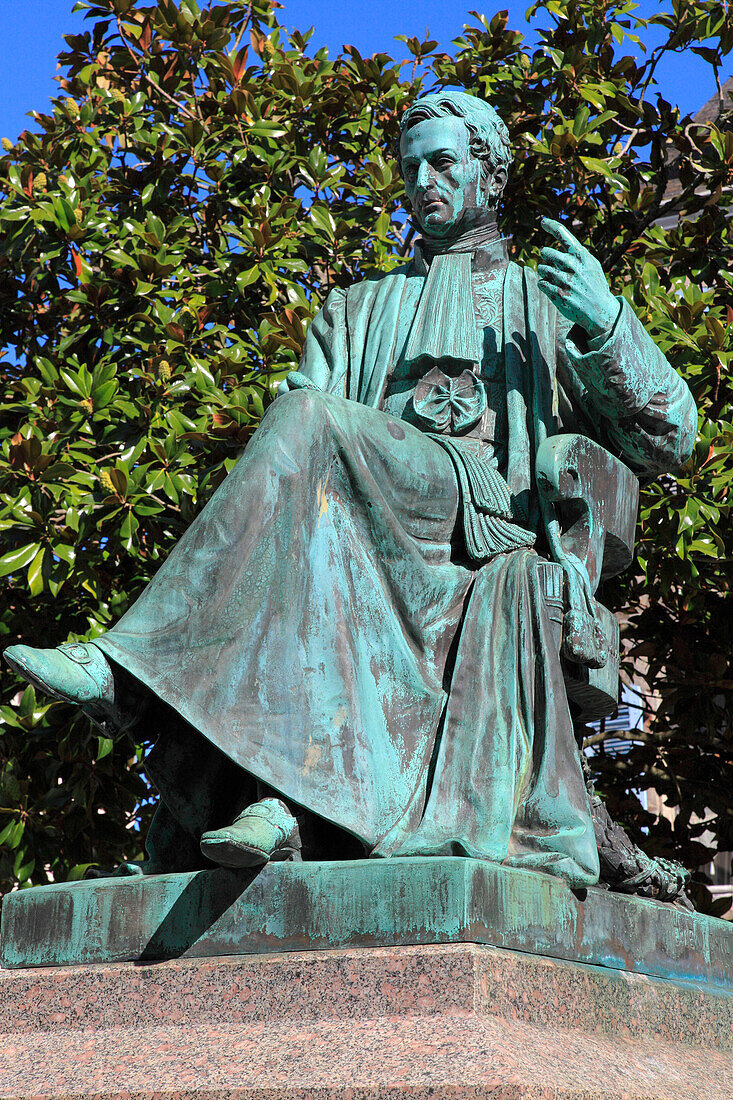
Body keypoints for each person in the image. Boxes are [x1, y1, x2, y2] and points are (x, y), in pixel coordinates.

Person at [4, 91, 696, 887]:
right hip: (363, 523)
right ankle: (286, 804)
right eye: (410, 168)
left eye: (443, 162)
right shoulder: (357, 309)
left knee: (305, 420)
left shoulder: (545, 306)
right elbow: (291, 456)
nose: (423, 181)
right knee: (299, 482)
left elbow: (672, 439)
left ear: (491, 173)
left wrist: (605, 322)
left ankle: (125, 672)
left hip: (477, 524)